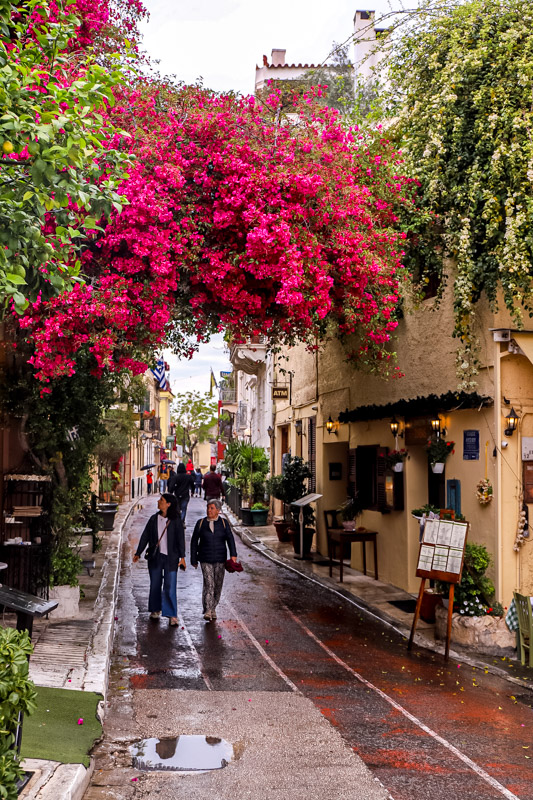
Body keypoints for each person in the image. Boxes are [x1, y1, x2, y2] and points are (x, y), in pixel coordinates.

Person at [133, 493, 186, 627]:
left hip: (171, 559)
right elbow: (145, 535)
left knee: (170, 586)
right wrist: (138, 552)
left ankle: (172, 614)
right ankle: (155, 609)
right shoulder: (153, 519)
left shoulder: (176, 520)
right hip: (156, 558)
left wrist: (182, 557)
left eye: (161, 500)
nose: (158, 501)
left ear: (168, 504)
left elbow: (180, 539)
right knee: (155, 584)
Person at [190, 499, 237, 621]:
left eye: (211, 508)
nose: (209, 510)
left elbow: (230, 540)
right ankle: (208, 610)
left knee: (217, 585)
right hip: (205, 558)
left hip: (220, 559)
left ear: (218, 510)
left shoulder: (224, 523)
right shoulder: (200, 523)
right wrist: (193, 559)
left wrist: (233, 555)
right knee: (209, 583)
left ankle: (213, 607)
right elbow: (194, 542)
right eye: (208, 508)